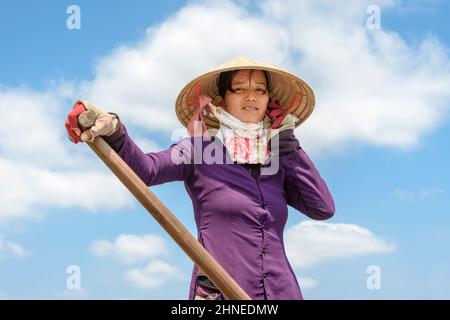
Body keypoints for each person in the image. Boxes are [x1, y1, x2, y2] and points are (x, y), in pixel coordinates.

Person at [65, 57, 335, 300]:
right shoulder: (199, 151)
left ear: (268, 102)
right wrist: (113, 129)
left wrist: (288, 145)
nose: (251, 97)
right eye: (239, 88)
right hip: (219, 295)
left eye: (260, 90)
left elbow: (322, 208)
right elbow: (145, 170)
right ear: (220, 101)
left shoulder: (277, 161)